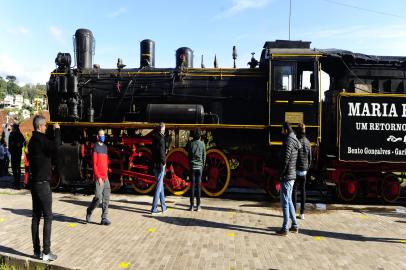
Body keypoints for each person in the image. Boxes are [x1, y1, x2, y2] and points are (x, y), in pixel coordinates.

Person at [27, 115, 60, 261]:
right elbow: (56, 146)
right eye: (45, 126)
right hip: (43, 185)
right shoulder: (41, 140)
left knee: (35, 217)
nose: (46, 127)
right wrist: (57, 130)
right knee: (48, 217)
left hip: (34, 183)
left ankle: (36, 250)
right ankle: (46, 252)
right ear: (40, 126)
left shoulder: (32, 141)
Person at [276, 122, 301, 236]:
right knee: (289, 200)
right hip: (292, 174)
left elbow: (285, 160)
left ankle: (285, 228)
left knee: (285, 202)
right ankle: (294, 225)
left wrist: (280, 174)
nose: (281, 132)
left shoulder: (288, 142)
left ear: (285, 130)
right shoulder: (294, 140)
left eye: (282, 130)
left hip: (287, 175)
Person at [86, 129, 111, 226]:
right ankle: (89, 210)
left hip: (105, 177)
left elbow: (105, 162)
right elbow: (94, 164)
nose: (103, 137)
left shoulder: (105, 147)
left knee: (106, 197)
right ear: (97, 136)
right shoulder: (95, 147)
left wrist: (106, 174)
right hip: (99, 177)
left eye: (103, 135)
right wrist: (98, 177)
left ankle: (104, 218)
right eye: (101, 135)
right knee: (98, 198)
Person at [292, 123, 312, 220]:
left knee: (294, 191)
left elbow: (294, 156)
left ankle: (294, 211)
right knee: (303, 191)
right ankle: (302, 213)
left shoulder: (297, 141)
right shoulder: (308, 142)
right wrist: (307, 168)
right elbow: (310, 158)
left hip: (296, 170)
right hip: (304, 170)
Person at [186, 128, 206, 211]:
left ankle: (191, 205)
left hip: (192, 167)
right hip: (199, 167)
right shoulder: (202, 144)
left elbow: (189, 155)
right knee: (198, 186)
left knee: (192, 186)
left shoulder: (190, 144)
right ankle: (198, 206)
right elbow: (204, 156)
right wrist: (202, 165)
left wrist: (191, 163)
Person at [150, 122, 167, 214]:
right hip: (160, 165)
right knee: (158, 186)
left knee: (160, 185)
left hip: (154, 164)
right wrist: (164, 163)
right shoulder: (161, 139)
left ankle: (164, 207)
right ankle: (154, 209)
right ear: (163, 128)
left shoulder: (154, 137)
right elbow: (161, 153)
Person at [9, 123, 26, 189]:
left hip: (14, 153)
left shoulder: (13, 134)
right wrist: (20, 144)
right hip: (17, 153)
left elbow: (10, 144)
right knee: (17, 167)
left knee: (14, 167)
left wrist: (18, 145)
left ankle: (16, 181)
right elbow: (23, 141)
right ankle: (17, 181)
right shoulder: (19, 134)